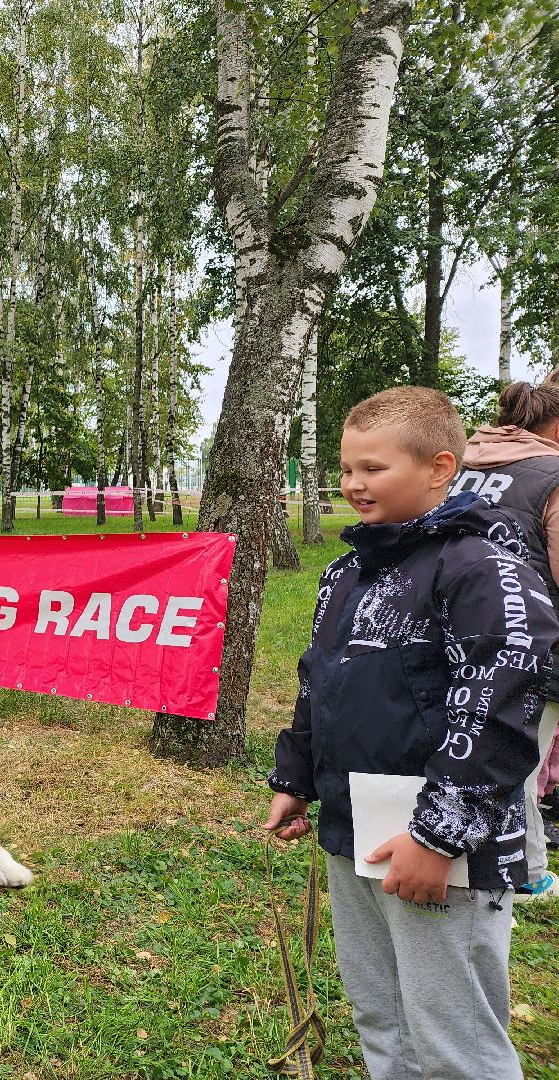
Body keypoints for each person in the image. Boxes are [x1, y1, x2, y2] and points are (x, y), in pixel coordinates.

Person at [262, 386, 559, 1080]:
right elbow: (320, 682)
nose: (354, 484)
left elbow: (497, 709)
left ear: (439, 467)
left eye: (374, 468)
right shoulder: (347, 572)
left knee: (452, 1034)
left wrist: (437, 835)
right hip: (355, 829)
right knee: (380, 1013)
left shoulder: (481, 566)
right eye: (347, 468)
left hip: (442, 850)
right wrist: (296, 777)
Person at [452, 379, 559, 893]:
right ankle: (526, 871)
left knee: (475, 745)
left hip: (453, 633)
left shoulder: (460, 466)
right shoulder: (553, 476)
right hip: (535, 645)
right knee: (519, 762)